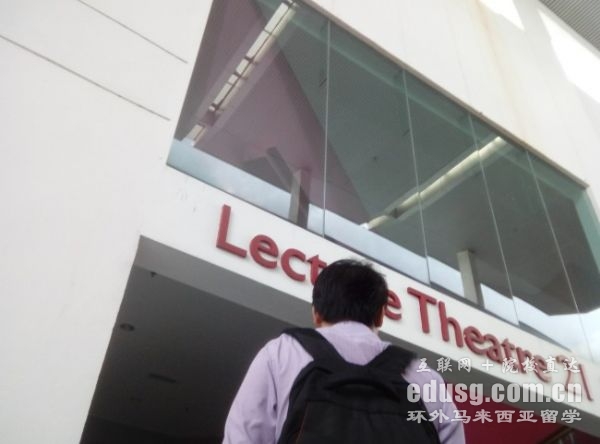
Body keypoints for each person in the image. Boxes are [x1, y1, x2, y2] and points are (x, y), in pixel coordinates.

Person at [223, 259, 465, 444]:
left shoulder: (281, 353)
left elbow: (243, 437)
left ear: (316, 313)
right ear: (380, 315)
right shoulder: (425, 377)